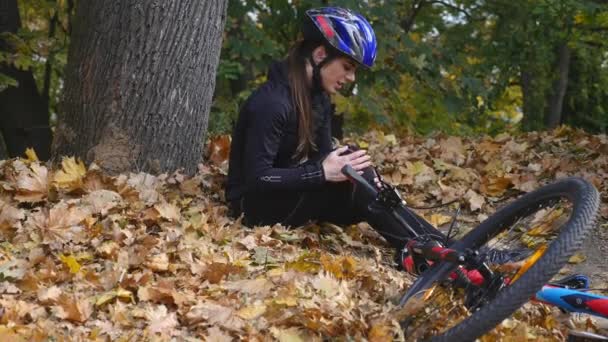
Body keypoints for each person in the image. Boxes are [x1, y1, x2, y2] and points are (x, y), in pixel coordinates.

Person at [225, 7, 520, 268]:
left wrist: (354, 172)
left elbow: (325, 158)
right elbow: (257, 180)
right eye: (348, 67)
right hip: (255, 207)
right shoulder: (271, 103)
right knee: (360, 184)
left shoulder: (318, 100)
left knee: (366, 183)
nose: (351, 78)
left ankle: (445, 253)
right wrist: (321, 172)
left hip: (291, 195)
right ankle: (452, 256)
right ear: (319, 55)